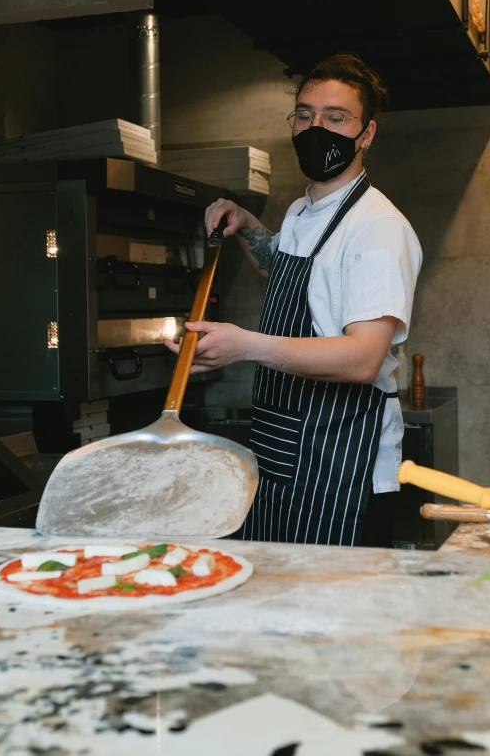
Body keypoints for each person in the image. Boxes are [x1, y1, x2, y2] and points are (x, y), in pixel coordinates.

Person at [166, 52, 422, 547]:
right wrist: (246, 224)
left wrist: (247, 346)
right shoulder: (305, 209)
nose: (315, 128)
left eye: (335, 118)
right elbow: (288, 273)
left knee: (327, 613)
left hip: (341, 459)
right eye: (304, 115)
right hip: (284, 449)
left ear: (366, 133)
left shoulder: (378, 228)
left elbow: (364, 358)